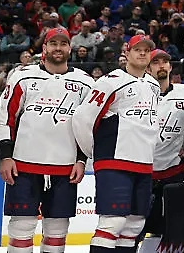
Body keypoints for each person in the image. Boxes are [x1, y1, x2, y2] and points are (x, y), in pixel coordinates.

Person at [0, 27, 92, 253]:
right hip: (24, 164)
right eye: (53, 43)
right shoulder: (22, 76)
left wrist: (81, 160)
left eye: (63, 43)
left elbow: (87, 126)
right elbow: (4, 117)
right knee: (21, 227)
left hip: (65, 166)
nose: (58, 48)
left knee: (57, 231)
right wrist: (6, 156)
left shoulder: (85, 82)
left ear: (70, 48)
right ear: (45, 48)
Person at [72, 33, 160, 253]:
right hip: (115, 161)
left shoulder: (153, 84)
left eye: (146, 50)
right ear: (126, 53)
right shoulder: (110, 82)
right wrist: (93, 151)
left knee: (134, 225)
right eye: (137, 49)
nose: (142, 53)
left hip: (143, 162)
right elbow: (83, 118)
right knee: (112, 223)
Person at [140, 50, 184, 253]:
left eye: (165, 62)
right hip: (142, 172)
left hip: (173, 173)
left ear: (171, 67)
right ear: (148, 68)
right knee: (137, 228)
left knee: (171, 230)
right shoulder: (138, 93)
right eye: (156, 62)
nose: (162, 65)